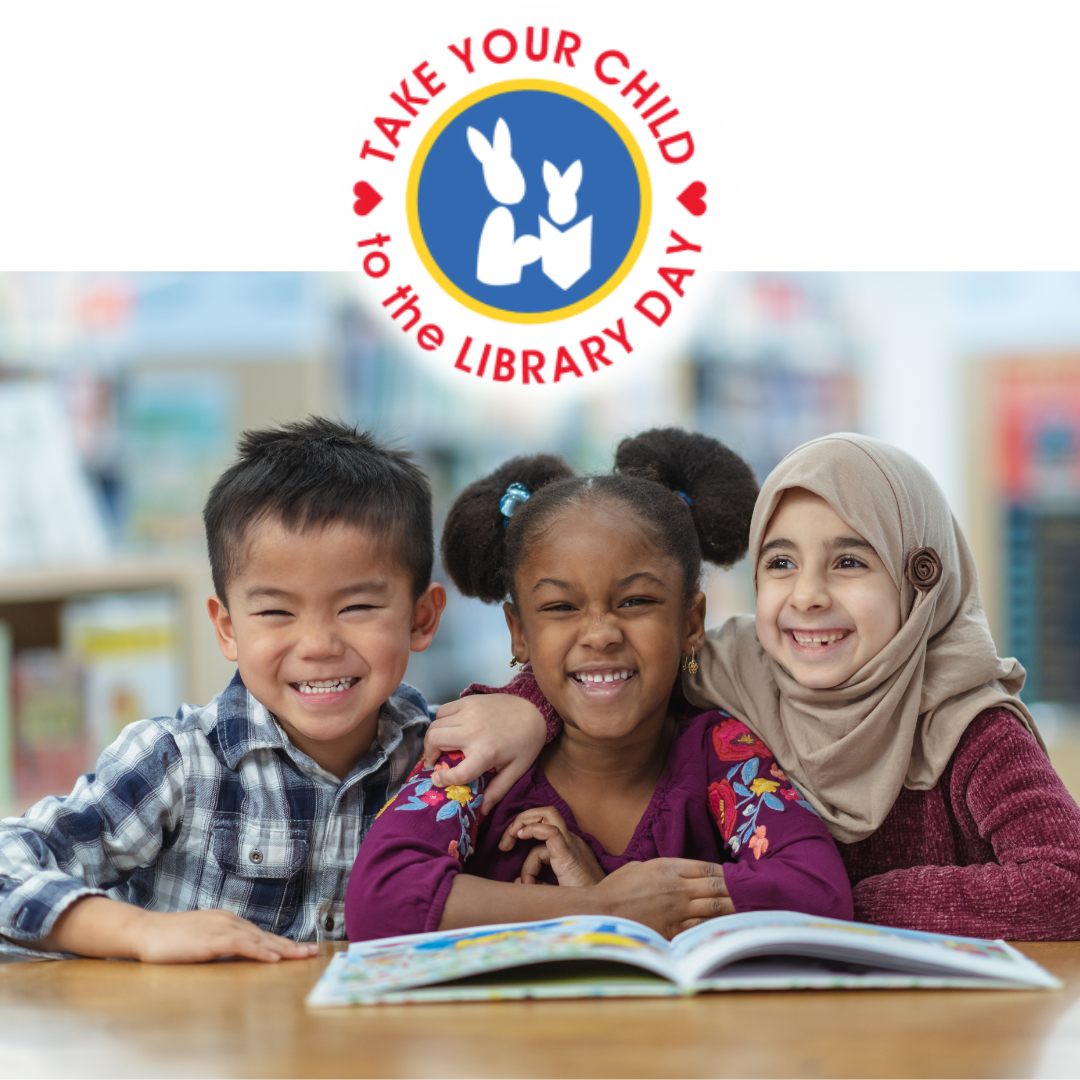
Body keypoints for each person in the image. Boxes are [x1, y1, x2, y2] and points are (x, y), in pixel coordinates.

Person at [451, 433, 1080, 940]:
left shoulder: (969, 725)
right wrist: (525, 708)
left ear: (921, 583)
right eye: (780, 563)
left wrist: (838, 904)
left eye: (850, 561)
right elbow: (609, 675)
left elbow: (1066, 884)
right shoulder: (735, 675)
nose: (807, 596)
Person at [0, 419, 548, 963]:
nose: (317, 645)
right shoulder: (177, 763)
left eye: (357, 607)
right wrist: (136, 931)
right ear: (228, 629)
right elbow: (9, 862)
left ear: (422, 618)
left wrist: (532, 717)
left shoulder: (446, 760)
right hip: (194, 1043)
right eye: (276, 612)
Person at [345, 430, 853, 943]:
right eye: (561, 608)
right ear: (519, 633)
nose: (601, 635)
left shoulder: (724, 752)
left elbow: (818, 892)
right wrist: (599, 906)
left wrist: (639, 902)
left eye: (635, 602)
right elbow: (382, 902)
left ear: (691, 623)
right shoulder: (480, 757)